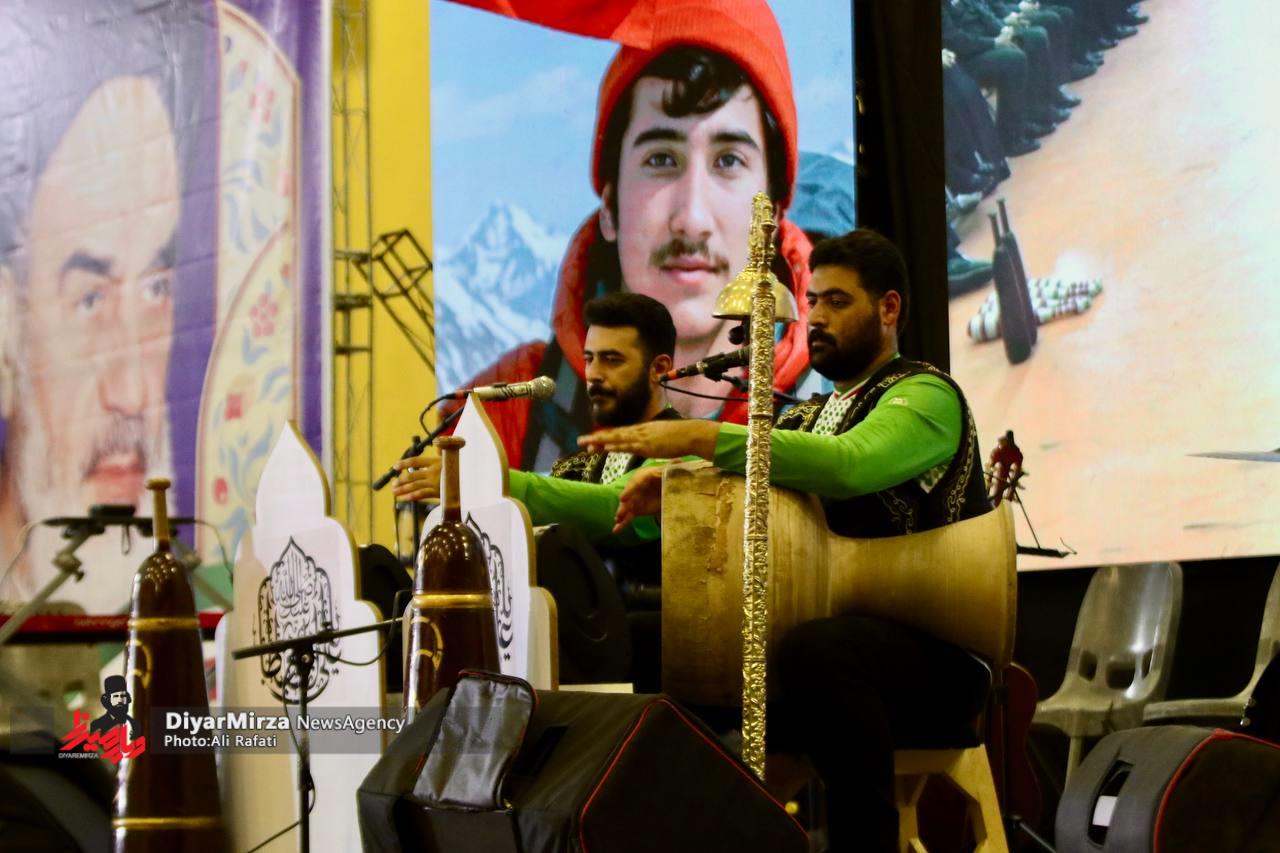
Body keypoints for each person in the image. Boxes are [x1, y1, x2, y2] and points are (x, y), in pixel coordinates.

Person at [581, 229, 992, 853]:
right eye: (813, 300)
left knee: (821, 650)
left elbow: (849, 464)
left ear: (889, 309)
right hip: (826, 651)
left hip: (937, 661)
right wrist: (677, 487)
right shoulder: (808, 413)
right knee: (644, 636)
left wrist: (702, 439)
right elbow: (747, 480)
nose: (816, 317)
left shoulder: (926, 395)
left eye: (838, 302)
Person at [448, 0, 824, 473]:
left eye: (729, 161)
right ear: (609, 206)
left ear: (777, 213)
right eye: (661, 159)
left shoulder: (856, 413)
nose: (692, 218)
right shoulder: (496, 423)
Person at [0, 0, 213, 606]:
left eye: (155, 290)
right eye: (90, 300)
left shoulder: (222, 606)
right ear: (7, 331)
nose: (133, 392)